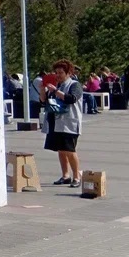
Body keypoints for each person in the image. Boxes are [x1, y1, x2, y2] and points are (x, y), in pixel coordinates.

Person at [42, 59, 82, 187]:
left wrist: (55, 91)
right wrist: (43, 88)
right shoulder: (56, 85)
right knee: (61, 150)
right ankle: (65, 175)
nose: (58, 75)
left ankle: (77, 177)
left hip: (69, 123)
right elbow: (44, 100)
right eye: (56, 72)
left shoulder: (74, 85)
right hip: (55, 122)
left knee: (70, 150)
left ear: (68, 73)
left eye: (61, 73)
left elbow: (71, 99)